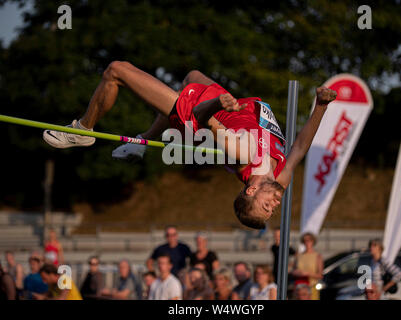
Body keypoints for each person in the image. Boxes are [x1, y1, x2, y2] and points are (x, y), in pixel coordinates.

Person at [42, 64, 337, 229]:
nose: (274, 206)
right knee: (191, 76)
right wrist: (321, 106)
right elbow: (299, 148)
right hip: (238, 108)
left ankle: (83, 129)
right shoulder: (281, 178)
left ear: (251, 190)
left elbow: (201, 121)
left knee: (116, 71)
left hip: (208, 113)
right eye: (271, 211)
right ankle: (143, 142)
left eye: (265, 207)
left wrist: (214, 104)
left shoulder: (242, 156)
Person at [292, 232, 323, 300]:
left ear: (313, 241)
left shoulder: (317, 256)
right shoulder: (299, 255)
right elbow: (293, 271)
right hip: (299, 287)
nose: (307, 242)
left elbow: (320, 275)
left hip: (311, 288)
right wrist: (298, 273)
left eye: (309, 240)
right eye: (305, 240)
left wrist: (307, 273)